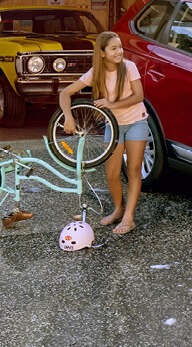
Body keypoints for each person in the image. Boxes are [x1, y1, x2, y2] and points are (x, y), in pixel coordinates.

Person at [59, 31, 148, 234]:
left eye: (120, 47)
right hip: (113, 125)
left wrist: (111, 103)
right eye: (114, 48)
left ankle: (129, 218)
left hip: (136, 122)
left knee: (134, 171)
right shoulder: (95, 74)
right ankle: (118, 209)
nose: (119, 51)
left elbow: (139, 96)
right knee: (111, 173)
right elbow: (65, 93)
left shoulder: (129, 67)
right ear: (102, 52)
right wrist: (69, 117)